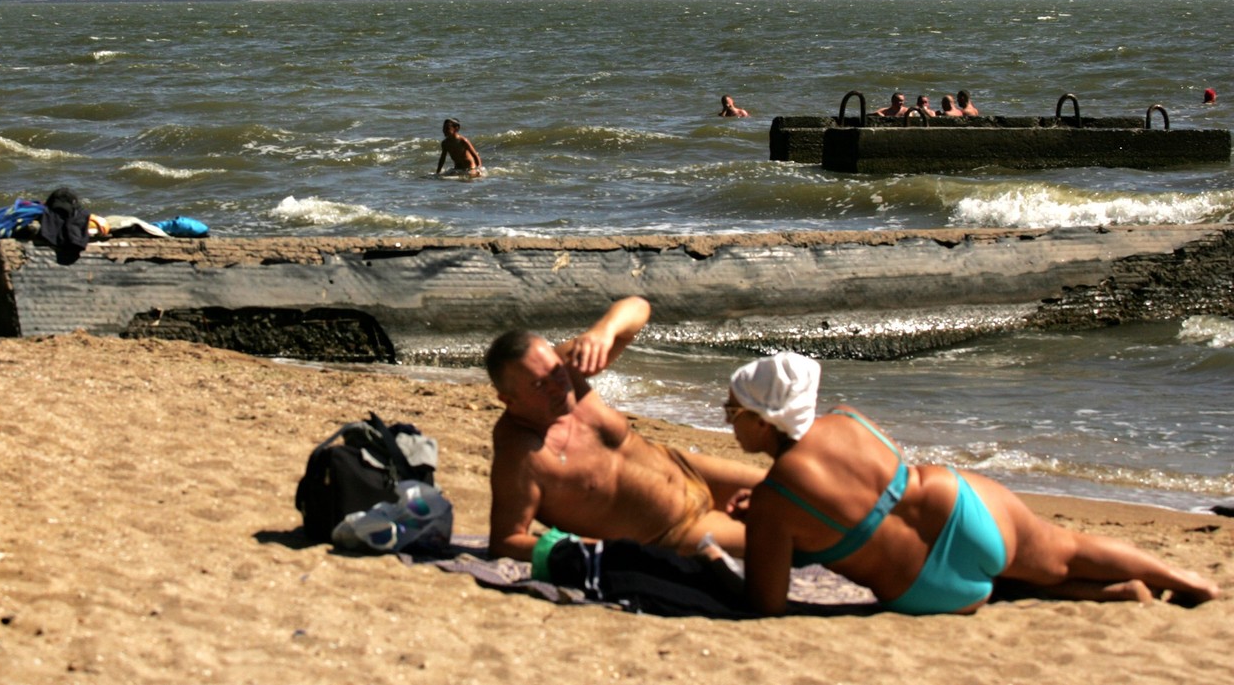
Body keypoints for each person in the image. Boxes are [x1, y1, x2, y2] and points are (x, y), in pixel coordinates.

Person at [718, 352, 1219, 615]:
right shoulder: (848, 419)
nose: (727, 420)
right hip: (960, 506)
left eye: (733, 411)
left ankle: (1117, 594)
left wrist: (762, 523)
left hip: (925, 588)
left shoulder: (774, 502)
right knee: (1067, 546)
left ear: (765, 421)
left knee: (998, 588)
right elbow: (859, 489)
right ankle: (1185, 579)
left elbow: (769, 604)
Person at [486, 297, 764, 561]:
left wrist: (603, 331)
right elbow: (506, 540)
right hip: (673, 530)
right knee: (788, 540)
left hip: (687, 469)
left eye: (556, 374)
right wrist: (600, 550)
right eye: (539, 386)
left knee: (793, 491)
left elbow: (638, 307)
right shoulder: (520, 455)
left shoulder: (562, 368)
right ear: (508, 400)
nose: (558, 388)